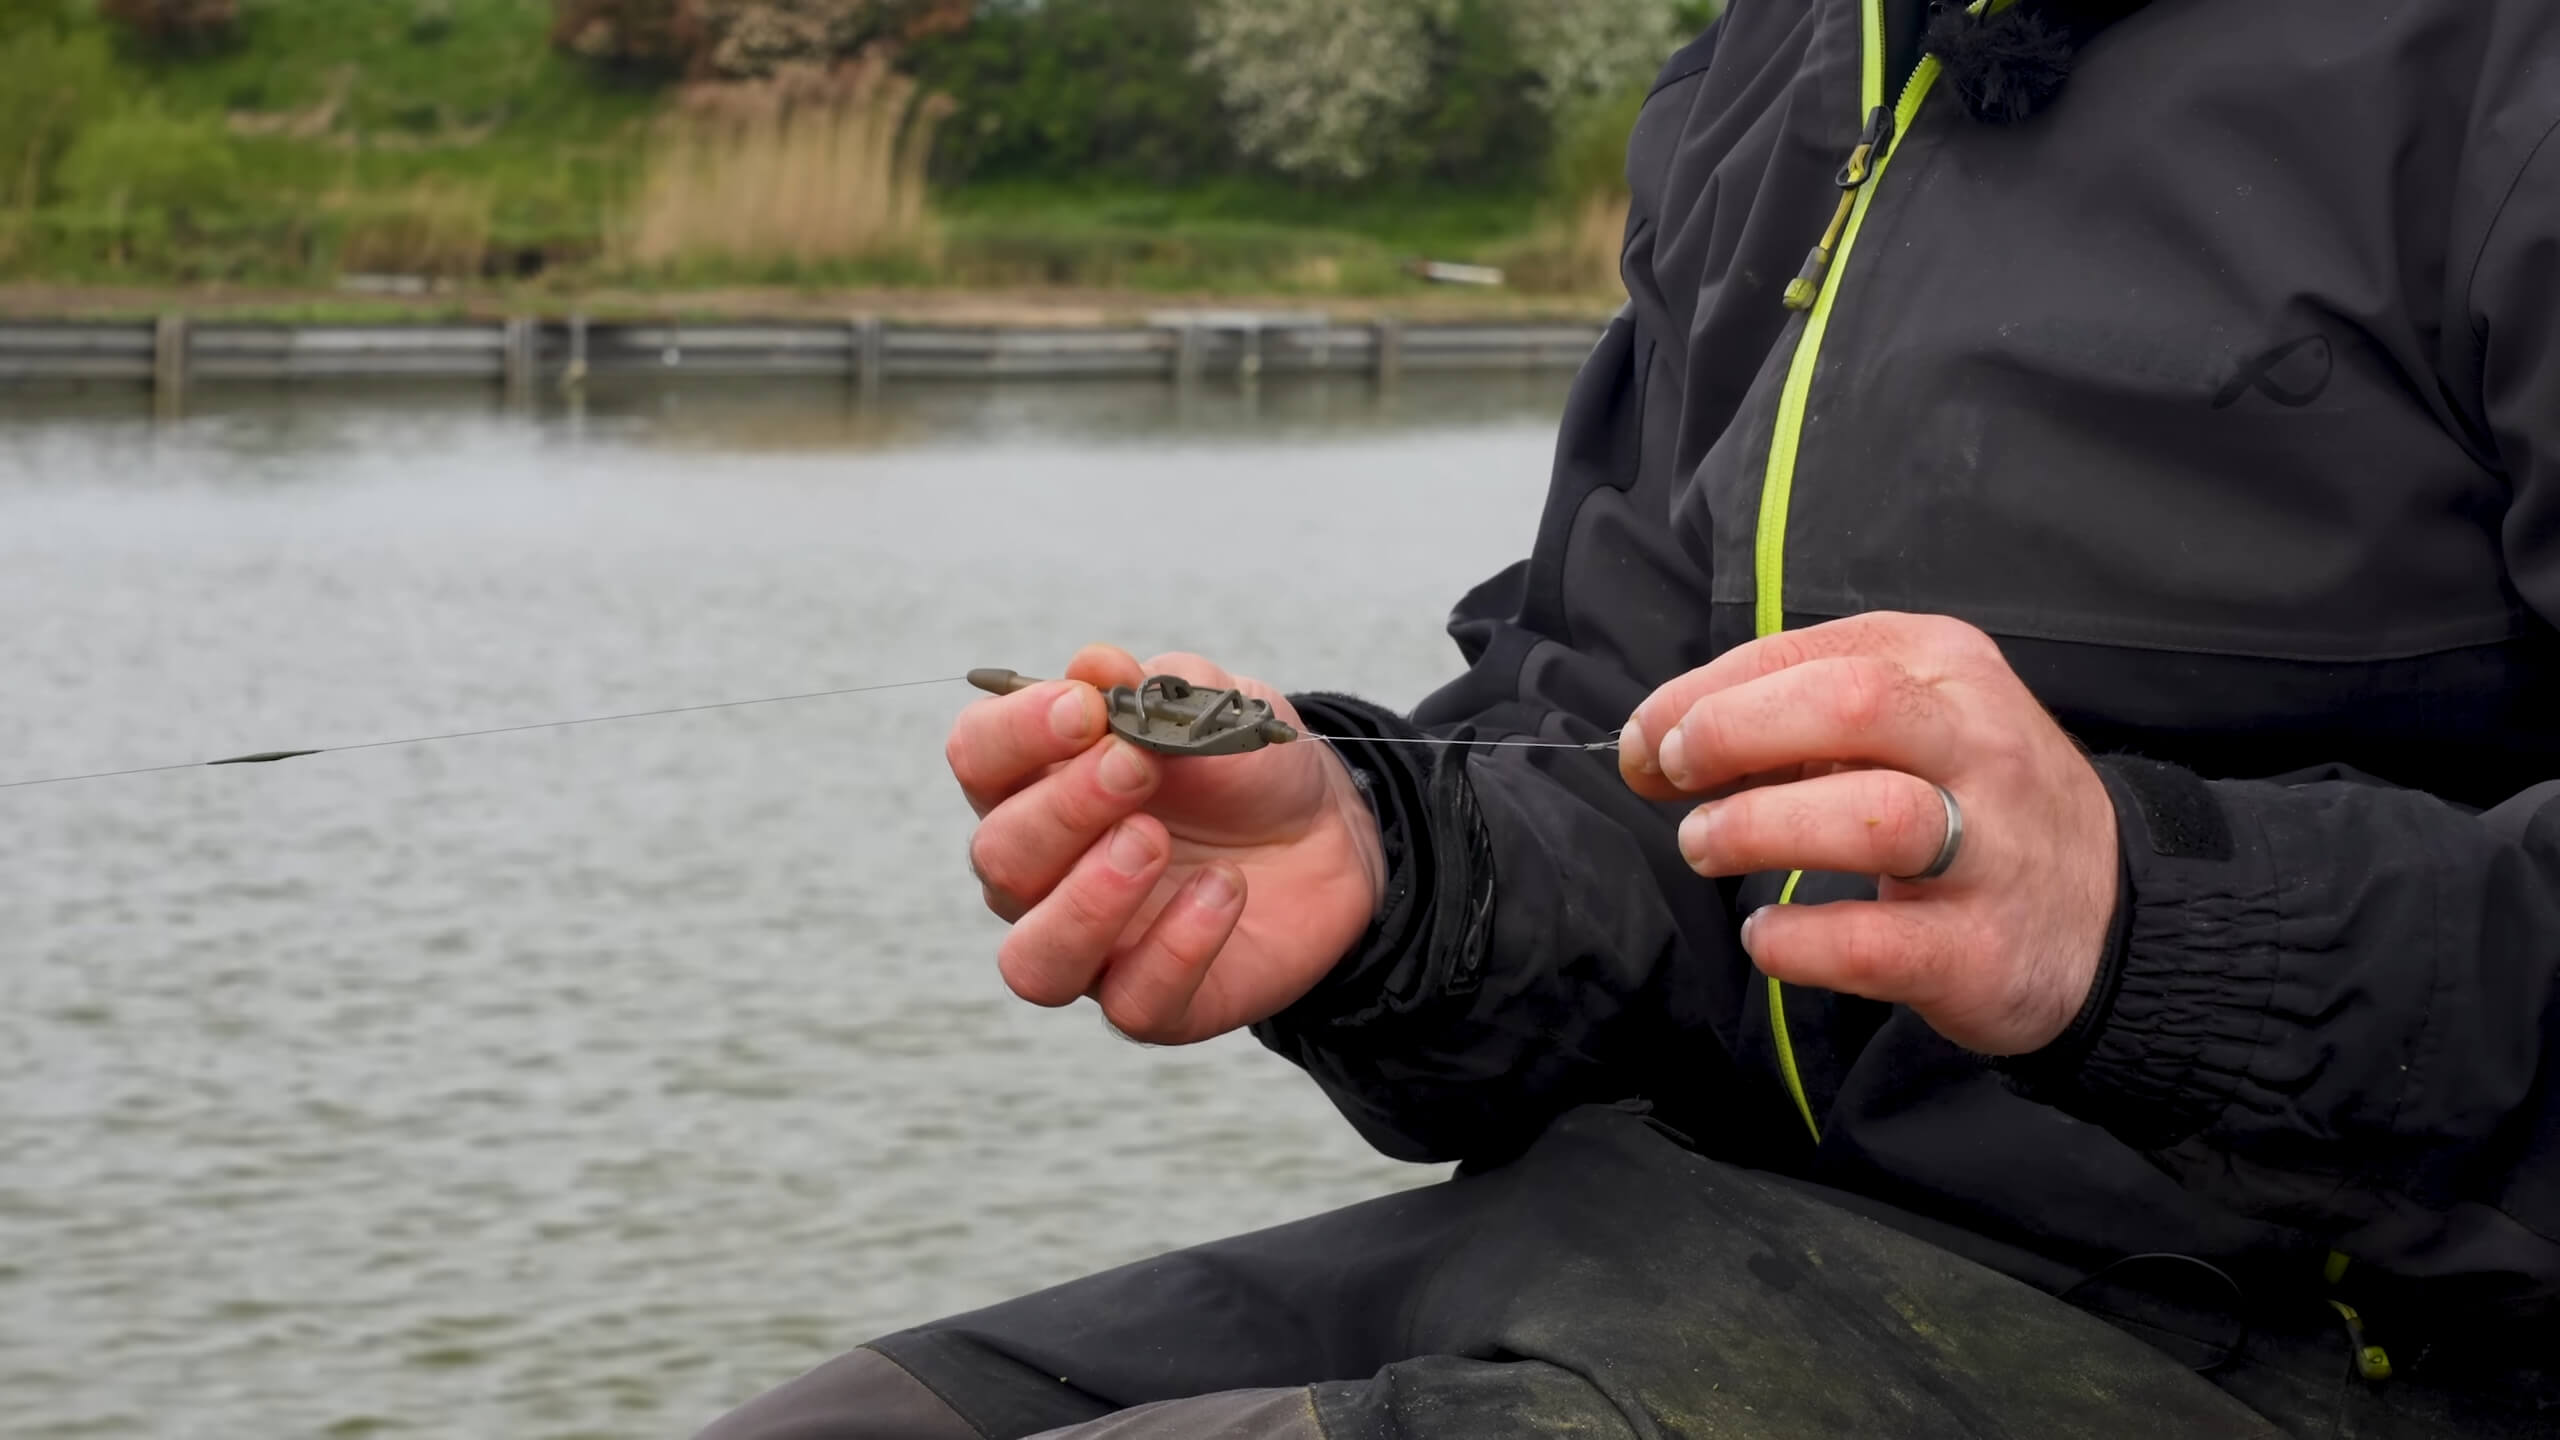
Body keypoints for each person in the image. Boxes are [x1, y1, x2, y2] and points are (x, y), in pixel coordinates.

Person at [700, 0, 2560, 1434]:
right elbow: (1621, 759)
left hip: (2354, 1346)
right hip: (1694, 1237)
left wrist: (2144, 930)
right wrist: (1390, 867)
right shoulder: (1781, 66)